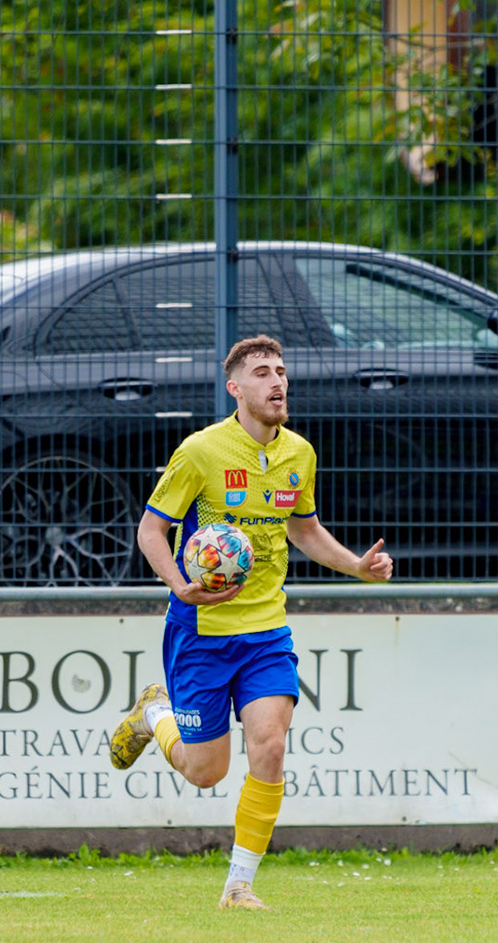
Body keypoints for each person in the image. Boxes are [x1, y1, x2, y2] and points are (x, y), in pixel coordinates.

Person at [106, 334, 394, 910]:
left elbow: (303, 528)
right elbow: (150, 531)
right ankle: (154, 713)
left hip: (266, 630)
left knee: (270, 745)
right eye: (262, 372)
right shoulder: (201, 452)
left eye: (282, 371)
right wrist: (179, 585)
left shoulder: (299, 454)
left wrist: (357, 566)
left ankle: (239, 885)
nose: (277, 381)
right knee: (205, 772)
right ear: (235, 388)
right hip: (202, 633)